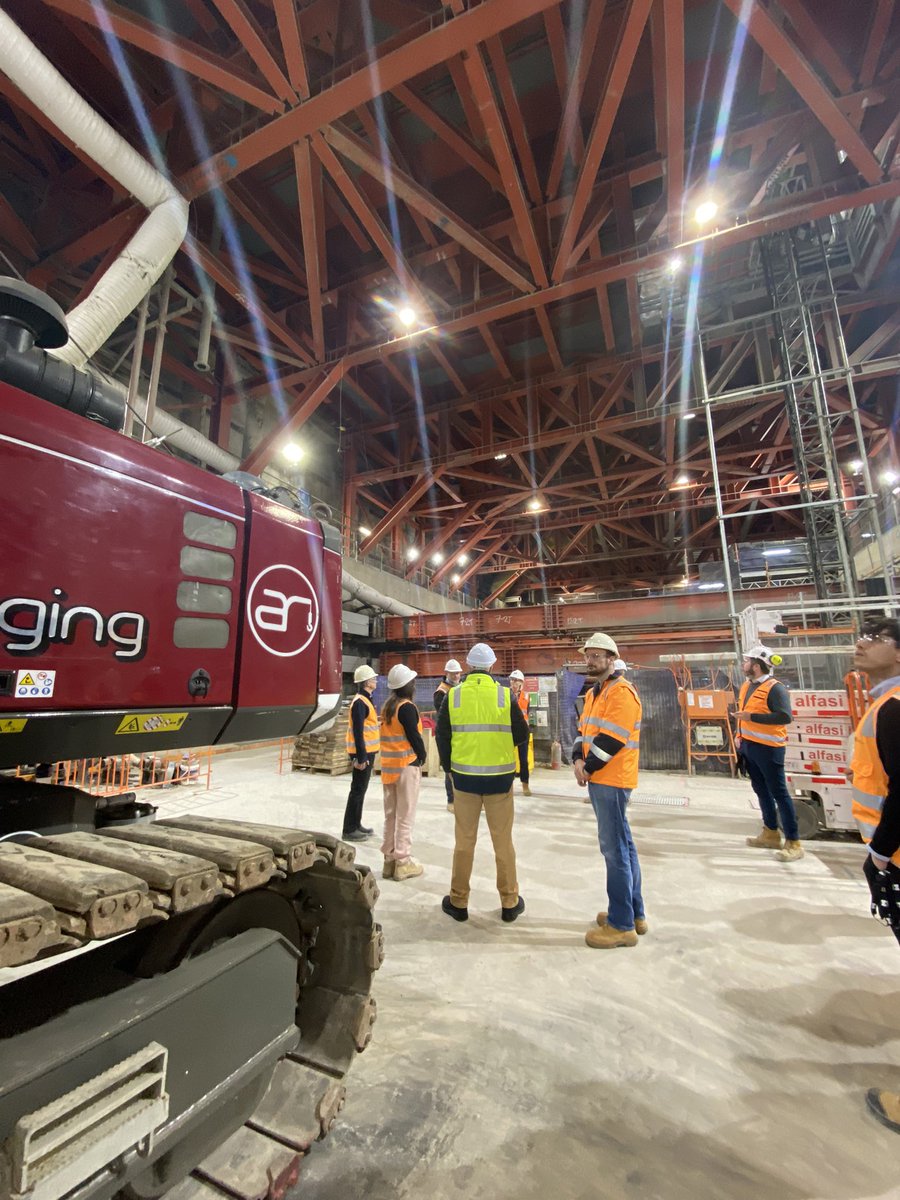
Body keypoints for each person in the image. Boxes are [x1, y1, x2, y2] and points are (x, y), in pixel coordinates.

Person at [848, 617, 900, 1135]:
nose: (861, 642)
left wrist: (881, 854)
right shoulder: (884, 702)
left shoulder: (894, 707)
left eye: (877, 636)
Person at [436, 642, 530, 923]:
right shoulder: (505, 695)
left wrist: (450, 768)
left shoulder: (454, 696)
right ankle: (510, 902)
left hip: (464, 781)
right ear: (491, 666)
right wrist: (499, 747)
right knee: (503, 842)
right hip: (499, 782)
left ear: (467, 666)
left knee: (464, 842)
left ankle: (458, 901)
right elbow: (522, 732)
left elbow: (442, 737)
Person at [572, 633, 645, 949]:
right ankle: (634, 914)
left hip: (612, 781)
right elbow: (582, 731)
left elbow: (611, 740)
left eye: (596, 656)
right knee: (624, 847)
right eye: (588, 655)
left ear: (612, 659)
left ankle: (621, 925)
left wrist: (586, 768)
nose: (590, 661)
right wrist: (577, 758)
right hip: (602, 780)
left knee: (614, 851)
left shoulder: (621, 694)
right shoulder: (595, 694)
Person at [735, 644, 802, 861]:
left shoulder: (776, 688)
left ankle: (793, 841)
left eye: (747, 661)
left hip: (769, 749)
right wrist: (740, 735)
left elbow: (784, 716)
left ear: (756, 665)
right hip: (749, 746)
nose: (743, 664)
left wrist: (751, 718)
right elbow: (745, 713)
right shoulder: (747, 686)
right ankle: (770, 832)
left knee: (779, 793)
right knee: (761, 790)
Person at [380, 663, 426, 881]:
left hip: (389, 768)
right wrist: (422, 755)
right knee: (405, 816)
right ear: (407, 685)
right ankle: (403, 862)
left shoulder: (388, 707)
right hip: (406, 766)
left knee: (391, 815)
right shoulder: (407, 707)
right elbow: (414, 736)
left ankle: (389, 861)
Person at [342, 664, 380, 842]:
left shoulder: (366, 699)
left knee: (361, 789)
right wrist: (361, 757)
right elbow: (358, 732)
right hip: (361, 753)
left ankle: (357, 825)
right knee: (357, 790)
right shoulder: (360, 702)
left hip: (367, 752)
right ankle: (349, 829)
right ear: (366, 682)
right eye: (373, 679)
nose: (375, 680)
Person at [433, 658, 463, 812]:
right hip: (449, 734)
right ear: (447, 673)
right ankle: (451, 800)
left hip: (460, 733)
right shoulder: (442, 691)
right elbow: (442, 716)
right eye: (454, 673)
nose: (457, 675)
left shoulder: (461, 688)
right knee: (449, 768)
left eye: (458, 672)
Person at [509, 669, 532, 795]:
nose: (514, 683)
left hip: (523, 731)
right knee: (509, 759)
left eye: (517, 680)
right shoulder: (505, 694)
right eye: (512, 680)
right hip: (509, 730)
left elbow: (527, 712)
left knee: (523, 759)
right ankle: (509, 785)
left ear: (522, 683)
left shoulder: (527, 696)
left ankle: (525, 785)